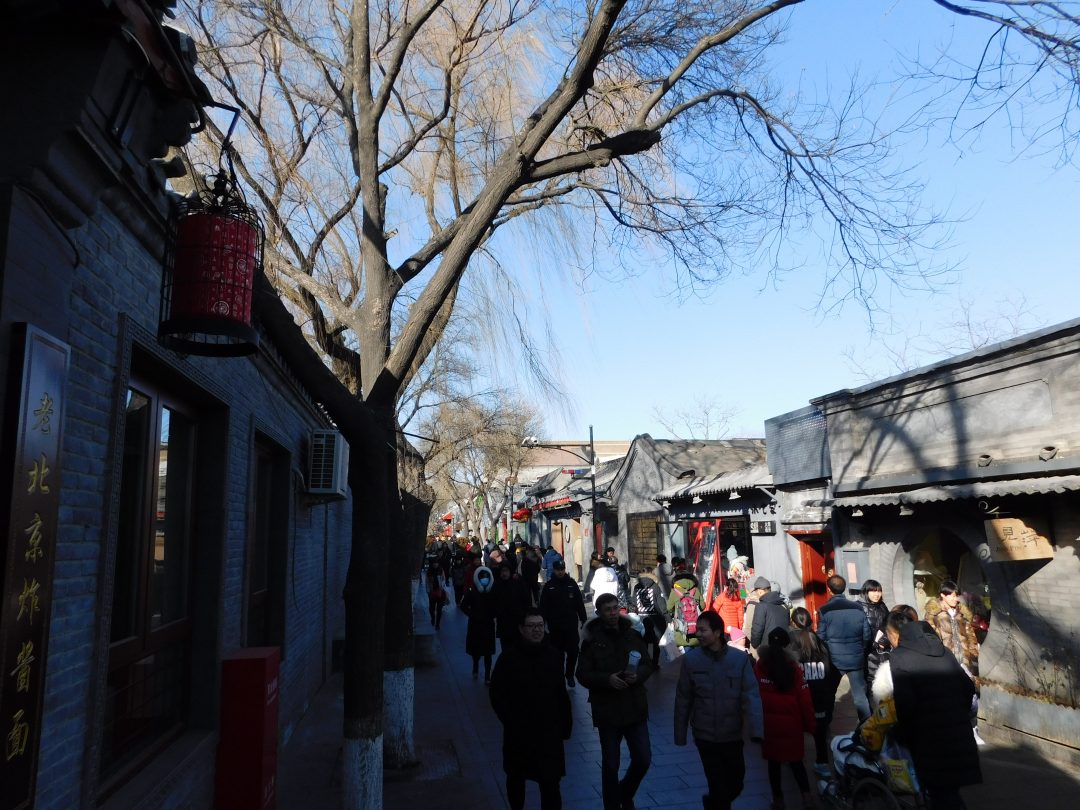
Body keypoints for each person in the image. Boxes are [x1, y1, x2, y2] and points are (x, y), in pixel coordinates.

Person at [674, 610, 763, 810]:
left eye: (703, 630)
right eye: (698, 630)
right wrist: (680, 734)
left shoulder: (739, 659)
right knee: (717, 784)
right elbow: (683, 698)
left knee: (736, 782)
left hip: (732, 733)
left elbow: (751, 695)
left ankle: (712, 804)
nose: (698, 634)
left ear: (717, 632)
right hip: (705, 735)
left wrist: (757, 730)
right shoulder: (691, 660)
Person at [890, 619, 982, 808]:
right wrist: (958, 712)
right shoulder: (945, 653)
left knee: (941, 795)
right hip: (957, 730)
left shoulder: (900, 657)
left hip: (927, 736)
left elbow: (905, 702)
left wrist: (903, 732)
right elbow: (967, 686)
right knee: (949, 791)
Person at [577, 592, 654, 810]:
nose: (612, 613)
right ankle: (612, 805)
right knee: (611, 764)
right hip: (608, 711)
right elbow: (582, 673)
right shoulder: (592, 640)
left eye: (614, 608)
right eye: (607, 610)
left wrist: (638, 676)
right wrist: (606, 680)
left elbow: (647, 664)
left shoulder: (632, 635)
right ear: (599, 613)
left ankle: (625, 792)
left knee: (643, 758)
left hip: (634, 706)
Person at [489, 608, 572, 810]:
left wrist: (565, 725)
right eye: (531, 626)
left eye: (540, 625)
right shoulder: (508, 659)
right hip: (519, 733)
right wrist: (511, 721)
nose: (537, 630)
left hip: (548, 733)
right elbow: (497, 694)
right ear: (521, 629)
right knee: (516, 780)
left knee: (550, 784)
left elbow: (561, 693)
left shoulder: (553, 656)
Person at [755, 627, 816, 810]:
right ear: (787, 644)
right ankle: (807, 798)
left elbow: (753, 695)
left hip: (769, 725)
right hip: (792, 725)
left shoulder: (760, 666)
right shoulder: (794, 668)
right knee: (796, 763)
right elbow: (805, 699)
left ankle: (779, 801)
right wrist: (811, 725)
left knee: (773, 765)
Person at [817, 574, 872, 722]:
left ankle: (826, 724)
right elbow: (867, 635)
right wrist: (861, 649)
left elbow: (820, 637)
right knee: (860, 696)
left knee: (830, 694)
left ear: (829, 590)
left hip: (834, 659)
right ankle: (868, 726)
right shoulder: (858, 608)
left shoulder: (824, 610)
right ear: (844, 588)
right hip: (856, 657)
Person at [788, 607, 834, 779]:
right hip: (820, 694)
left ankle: (796, 764)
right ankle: (822, 764)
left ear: (793, 622)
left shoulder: (790, 641)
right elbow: (829, 669)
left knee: (795, 731)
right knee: (820, 733)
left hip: (800, 695)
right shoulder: (819, 641)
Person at [540, 558, 588, 687]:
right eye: (558, 570)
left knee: (573, 652)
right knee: (557, 654)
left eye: (562, 569)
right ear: (554, 570)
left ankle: (570, 674)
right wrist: (541, 623)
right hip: (555, 626)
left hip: (571, 626)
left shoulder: (571, 584)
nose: (560, 572)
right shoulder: (549, 586)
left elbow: (579, 603)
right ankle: (559, 676)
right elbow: (543, 606)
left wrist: (583, 619)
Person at [923, 580, 979, 678]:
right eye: (952, 596)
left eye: (956, 596)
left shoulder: (962, 613)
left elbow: (970, 634)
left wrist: (973, 653)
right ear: (943, 595)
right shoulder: (933, 615)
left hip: (965, 660)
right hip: (946, 661)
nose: (956, 599)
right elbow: (931, 639)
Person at [460, 566, 497, 682]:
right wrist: (472, 614)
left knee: (488, 652)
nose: (484, 580)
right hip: (475, 625)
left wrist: (493, 614)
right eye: (482, 578)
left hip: (488, 625)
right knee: (476, 651)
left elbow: (498, 605)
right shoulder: (472, 591)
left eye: (487, 577)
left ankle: (487, 676)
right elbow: (463, 606)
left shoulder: (492, 591)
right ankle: (475, 667)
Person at [632, 571, 667, 670]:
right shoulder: (655, 586)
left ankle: (645, 662)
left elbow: (634, 602)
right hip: (655, 620)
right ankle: (653, 663)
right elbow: (661, 603)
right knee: (654, 643)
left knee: (643, 642)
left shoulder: (637, 587)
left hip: (641, 619)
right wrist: (667, 617)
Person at [748, 576, 789, 656]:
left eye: (756, 591)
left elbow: (757, 629)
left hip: (767, 650)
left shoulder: (761, 606)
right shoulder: (783, 605)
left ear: (760, 591)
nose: (756, 594)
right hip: (784, 649)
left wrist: (754, 644)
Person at [492, 563, 529, 652]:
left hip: (517, 621)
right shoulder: (497, 585)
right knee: (506, 649)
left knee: (518, 647)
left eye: (506, 571)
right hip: (503, 623)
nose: (504, 574)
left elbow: (525, 599)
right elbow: (493, 601)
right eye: (502, 571)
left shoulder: (517, 583)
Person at [667, 570, 705, 648]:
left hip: (681, 633)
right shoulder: (696, 590)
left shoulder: (674, 591)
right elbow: (703, 606)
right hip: (696, 633)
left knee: (684, 657)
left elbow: (669, 608)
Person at [425, 564, 448, 630]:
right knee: (431, 609)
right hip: (432, 593)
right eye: (434, 563)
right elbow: (426, 582)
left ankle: (437, 624)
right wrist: (428, 591)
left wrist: (442, 586)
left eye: (437, 563)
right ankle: (433, 618)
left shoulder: (441, 570)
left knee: (439, 609)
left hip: (440, 592)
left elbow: (444, 579)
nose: (435, 564)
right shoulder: (429, 571)